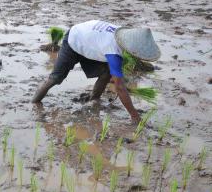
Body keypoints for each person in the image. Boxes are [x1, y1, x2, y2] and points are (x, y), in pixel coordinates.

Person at [32, 20, 160, 123]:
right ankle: (35, 104)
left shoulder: (123, 34)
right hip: (73, 40)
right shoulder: (113, 51)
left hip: (90, 43)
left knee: (106, 72)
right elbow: (120, 87)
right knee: (56, 78)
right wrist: (135, 116)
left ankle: (94, 100)